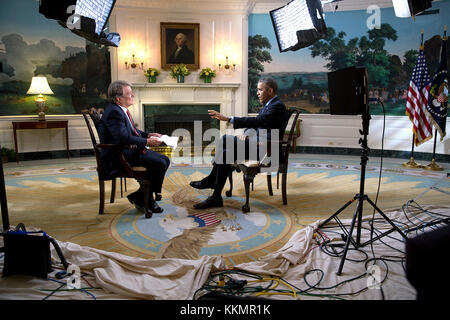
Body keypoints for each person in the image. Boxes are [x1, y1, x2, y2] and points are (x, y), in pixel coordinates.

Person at [190, 77, 289, 209]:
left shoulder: (277, 106)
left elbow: (258, 121)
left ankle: (211, 181)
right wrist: (246, 134)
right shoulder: (270, 104)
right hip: (260, 145)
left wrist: (228, 119)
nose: (257, 93)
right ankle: (216, 197)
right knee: (226, 153)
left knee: (225, 139)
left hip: (269, 151)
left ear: (270, 90)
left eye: (260, 90)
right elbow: (257, 123)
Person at [97, 80, 170, 214]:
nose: (133, 96)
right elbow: (122, 138)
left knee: (165, 160)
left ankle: (142, 196)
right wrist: (147, 142)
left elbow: (131, 132)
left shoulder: (119, 110)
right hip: (118, 155)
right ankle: (146, 198)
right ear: (118, 99)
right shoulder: (114, 113)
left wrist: (148, 135)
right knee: (159, 163)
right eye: (129, 94)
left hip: (127, 150)